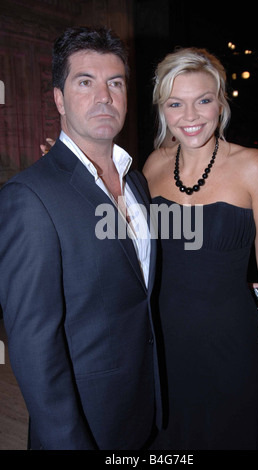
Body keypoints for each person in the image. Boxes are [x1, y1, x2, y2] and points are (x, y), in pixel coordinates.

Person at [0, 26, 162, 450]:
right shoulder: (29, 198)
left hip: (145, 409)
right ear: (59, 98)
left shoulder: (137, 182)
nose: (104, 97)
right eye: (85, 82)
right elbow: (35, 348)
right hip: (85, 423)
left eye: (115, 83)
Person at [143, 47, 258, 450]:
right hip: (165, 339)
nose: (190, 117)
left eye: (203, 101)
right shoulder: (152, 166)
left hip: (231, 342)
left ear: (220, 103)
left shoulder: (253, 166)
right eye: (176, 103)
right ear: (163, 109)